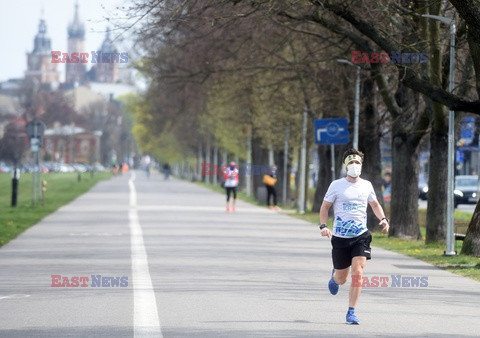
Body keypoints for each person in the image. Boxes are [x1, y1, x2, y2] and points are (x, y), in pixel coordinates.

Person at [319, 148, 389, 325]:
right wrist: (323, 226)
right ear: (345, 166)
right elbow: (325, 207)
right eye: (351, 162)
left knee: (358, 272)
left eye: (357, 162)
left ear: (361, 165)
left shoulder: (366, 185)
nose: (354, 166)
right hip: (341, 238)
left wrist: (383, 219)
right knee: (342, 279)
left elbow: (374, 204)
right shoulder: (336, 185)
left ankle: (351, 312)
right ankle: (335, 275)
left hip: (360, 236)